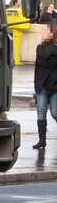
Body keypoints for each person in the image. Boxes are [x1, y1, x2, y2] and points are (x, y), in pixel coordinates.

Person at [33, 20, 57, 149]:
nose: (42, 33)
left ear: (52, 34)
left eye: (46, 31)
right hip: (41, 84)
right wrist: (36, 85)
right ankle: (42, 140)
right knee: (41, 111)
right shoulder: (39, 48)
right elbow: (37, 67)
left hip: (54, 84)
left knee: (55, 112)